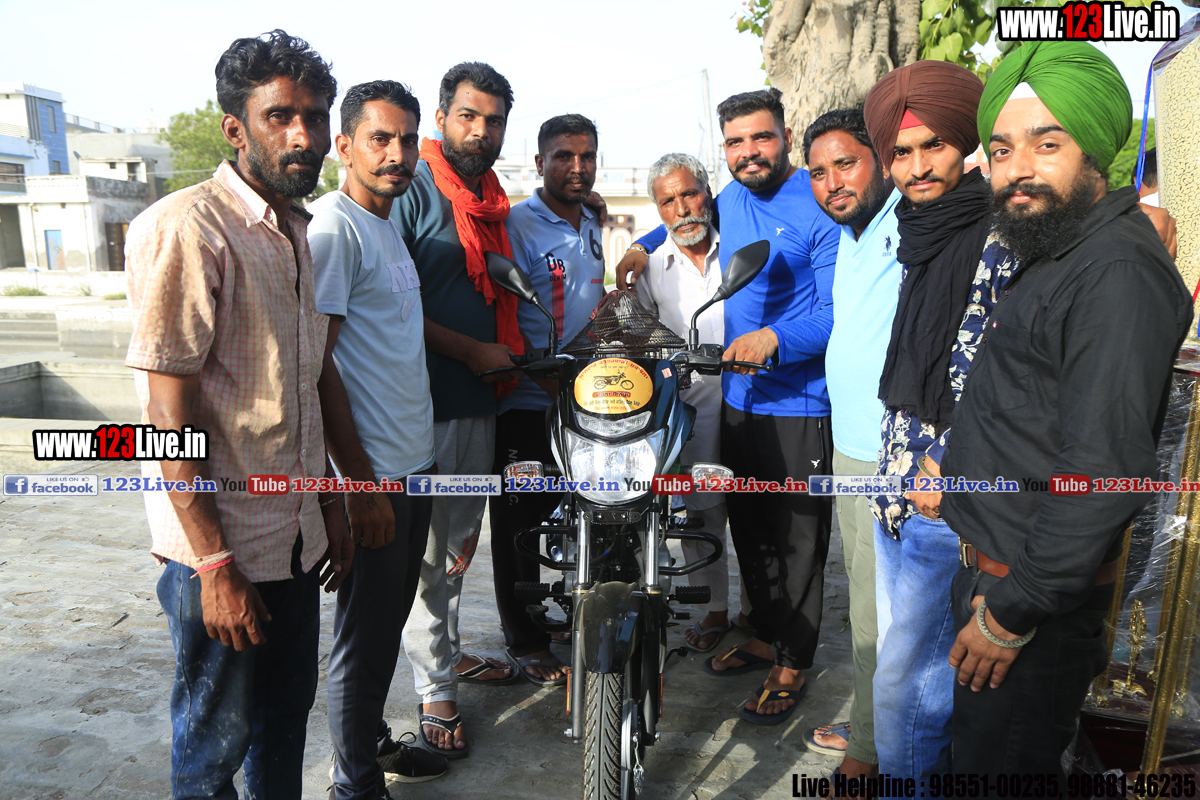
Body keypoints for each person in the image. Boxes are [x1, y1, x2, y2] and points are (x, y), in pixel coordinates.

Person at [934, 41, 1191, 781]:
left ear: (1095, 152)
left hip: (1028, 607)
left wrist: (1011, 613)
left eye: (1047, 145)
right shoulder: (1061, 250)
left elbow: (1103, 472)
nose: (1018, 169)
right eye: (1001, 149)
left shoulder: (1115, 272)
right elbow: (1037, 408)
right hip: (1002, 582)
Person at [123, 30, 351, 799]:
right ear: (235, 128)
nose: (303, 135)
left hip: (292, 541)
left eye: (313, 116)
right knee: (212, 751)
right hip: (219, 553)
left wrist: (331, 504)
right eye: (281, 116)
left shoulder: (296, 232)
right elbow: (168, 414)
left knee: (283, 725)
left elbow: (300, 388)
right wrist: (215, 567)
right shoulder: (192, 227)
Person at [617, 88, 840, 725]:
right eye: (736, 142)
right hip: (739, 400)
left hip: (797, 402)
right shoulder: (733, 198)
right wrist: (641, 244)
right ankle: (766, 632)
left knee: (798, 541)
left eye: (761, 137)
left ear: (786, 136)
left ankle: (793, 661)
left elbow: (837, 312)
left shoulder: (819, 200)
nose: (750, 152)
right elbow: (683, 215)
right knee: (752, 529)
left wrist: (776, 339)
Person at [860, 59, 1006, 781]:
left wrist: (945, 465)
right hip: (897, 488)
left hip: (943, 498)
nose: (917, 167)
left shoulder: (1001, 234)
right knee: (914, 681)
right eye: (901, 152)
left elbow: (1002, 369)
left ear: (964, 144)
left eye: (934, 146)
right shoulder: (917, 231)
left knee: (907, 691)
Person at [309, 80, 449, 799]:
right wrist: (358, 485)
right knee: (362, 638)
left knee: (387, 622)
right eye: (380, 139)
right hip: (377, 476)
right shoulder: (334, 229)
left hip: (413, 465)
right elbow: (316, 364)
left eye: (407, 140)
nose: (397, 154)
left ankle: (366, 744)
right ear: (345, 146)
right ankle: (355, 785)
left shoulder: (384, 225)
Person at [389, 61, 521, 759]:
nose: (480, 130)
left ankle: (450, 652)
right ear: (441, 119)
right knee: (428, 555)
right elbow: (390, 303)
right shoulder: (412, 188)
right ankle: (435, 689)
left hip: (481, 399)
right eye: (468, 116)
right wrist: (470, 350)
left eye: (493, 120)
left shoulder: (493, 200)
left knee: (459, 547)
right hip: (425, 405)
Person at [798, 108, 902, 784]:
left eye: (846, 163)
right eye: (818, 172)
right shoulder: (850, 232)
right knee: (867, 605)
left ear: (882, 161)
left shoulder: (908, 218)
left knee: (879, 613)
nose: (832, 182)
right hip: (852, 447)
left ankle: (868, 754)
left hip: (893, 452)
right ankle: (874, 721)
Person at [489, 113, 605, 685]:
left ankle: (566, 614)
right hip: (527, 403)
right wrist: (543, 378)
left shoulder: (593, 220)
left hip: (585, 402)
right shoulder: (516, 225)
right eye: (563, 156)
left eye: (587, 156)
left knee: (583, 514)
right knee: (521, 527)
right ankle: (527, 640)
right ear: (540, 162)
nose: (576, 167)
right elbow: (507, 317)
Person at [632, 152, 752, 656]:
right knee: (702, 518)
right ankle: (715, 609)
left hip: (756, 403)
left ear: (708, 192)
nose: (681, 209)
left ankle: (759, 612)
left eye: (689, 194)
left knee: (758, 512)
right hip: (692, 414)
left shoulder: (739, 243)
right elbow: (639, 343)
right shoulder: (651, 268)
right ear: (657, 209)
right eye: (668, 201)